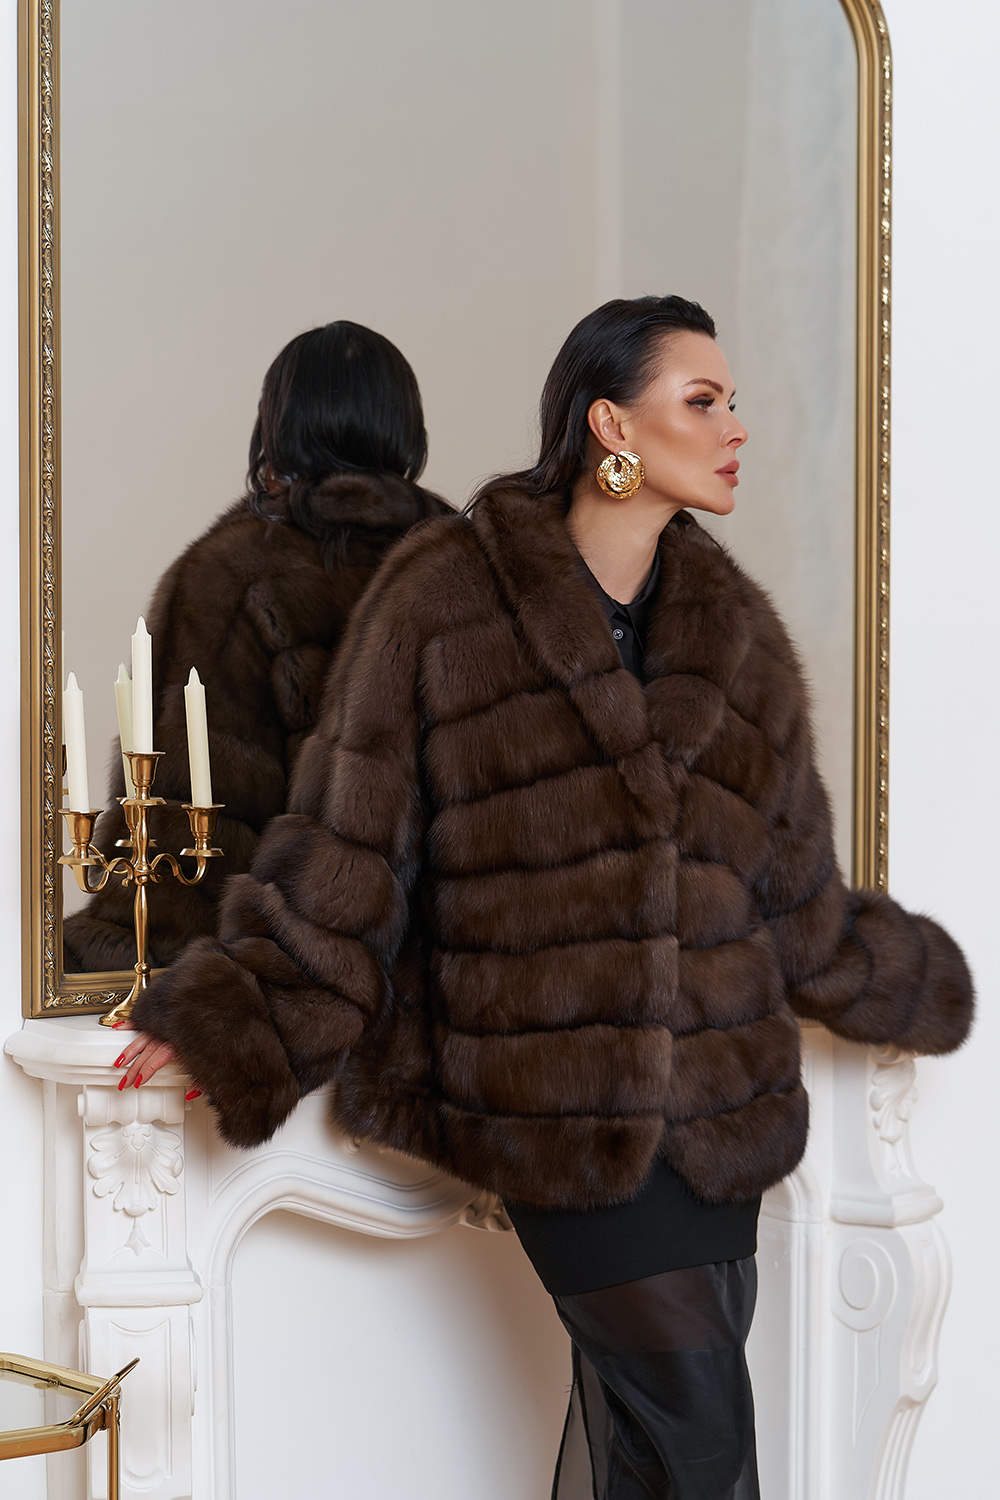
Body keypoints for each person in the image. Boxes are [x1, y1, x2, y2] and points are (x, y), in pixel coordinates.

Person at [118, 296, 973, 1498]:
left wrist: (909, 980)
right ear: (611, 422)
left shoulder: (733, 630)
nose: (735, 427)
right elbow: (350, 851)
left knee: (654, 1460)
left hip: (718, 1121)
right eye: (702, 400)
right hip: (557, 1113)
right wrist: (238, 1012)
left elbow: (793, 894)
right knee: (706, 1451)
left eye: (732, 403)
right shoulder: (444, 596)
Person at [64, 320, 450, 973]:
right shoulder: (466, 562)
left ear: (275, 426)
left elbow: (189, 830)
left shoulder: (228, 576)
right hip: (448, 978)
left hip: (293, 977)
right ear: (407, 428)